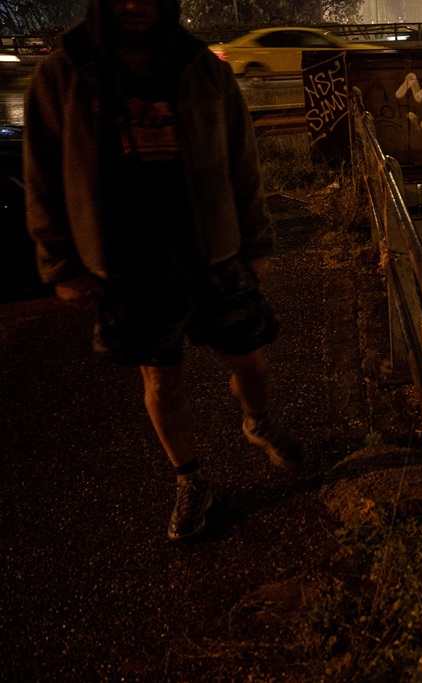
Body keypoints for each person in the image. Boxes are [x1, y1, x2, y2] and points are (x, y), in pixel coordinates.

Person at [23, 0, 303, 542]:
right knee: (162, 384)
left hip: (212, 254)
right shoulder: (62, 73)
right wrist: (58, 262)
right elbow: (43, 174)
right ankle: (190, 479)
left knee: (252, 361)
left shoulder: (204, 68)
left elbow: (242, 158)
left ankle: (258, 420)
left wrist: (256, 239)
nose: (134, 4)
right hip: (130, 268)